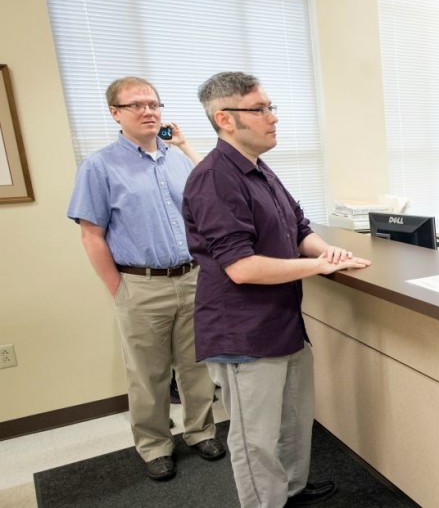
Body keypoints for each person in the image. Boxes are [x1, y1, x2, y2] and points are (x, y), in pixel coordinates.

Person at [182, 71, 371, 507]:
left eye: (271, 107)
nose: (273, 118)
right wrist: (317, 264)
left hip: (282, 322)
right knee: (255, 441)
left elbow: (299, 226)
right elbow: (242, 267)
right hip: (244, 333)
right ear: (225, 119)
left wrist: (330, 253)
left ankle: (290, 491)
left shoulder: (259, 169)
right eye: (260, 109)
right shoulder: (214, 177)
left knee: (292, 421)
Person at [67, 77, 224, 482]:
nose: (148, 111)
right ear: (115, 113)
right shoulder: (99, 166)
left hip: (191, 277)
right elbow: (91, 235)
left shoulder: (176, 159)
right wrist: (119, 289)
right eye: (135, 104)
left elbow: (210, 202)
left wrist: (186, 146)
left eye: (153, 103)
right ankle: (155, 445)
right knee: (148, 375)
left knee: (197, 367)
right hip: (140, 284)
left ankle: (201, 431)